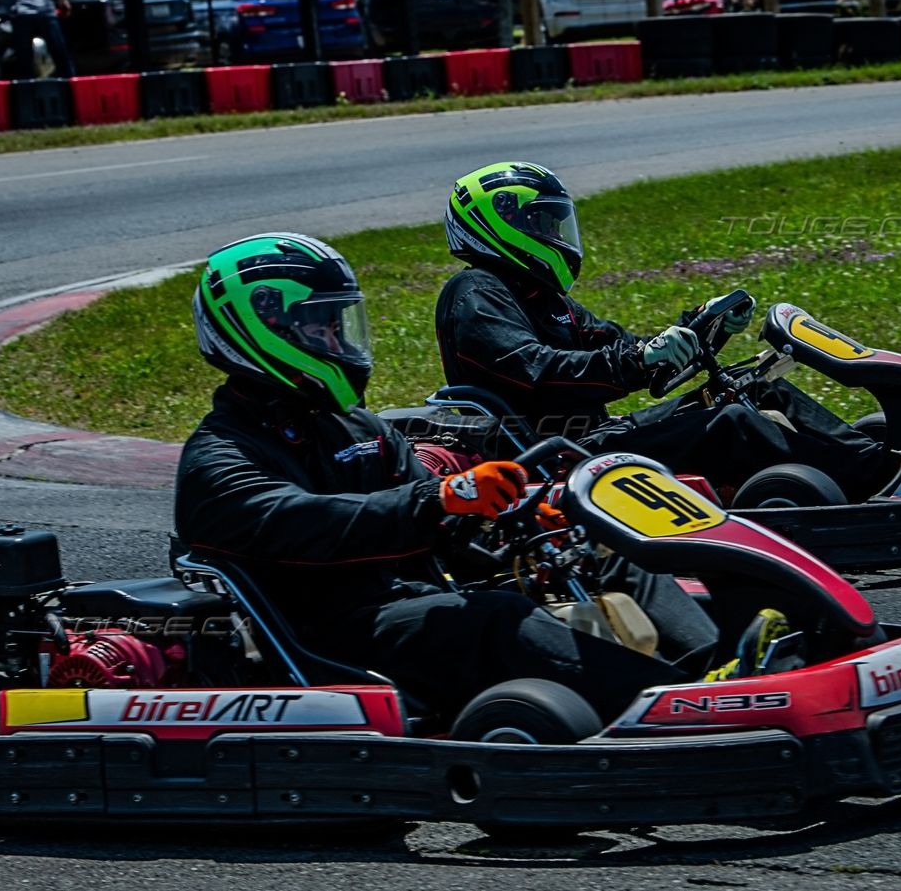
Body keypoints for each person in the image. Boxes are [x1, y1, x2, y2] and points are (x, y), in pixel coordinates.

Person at [174, 232, 718, 724]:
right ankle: (675, 708)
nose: (337, 340)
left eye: (340, 324)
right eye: (320, 326)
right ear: (263, 332)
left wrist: (516, 523)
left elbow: (443, 528)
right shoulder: (219, 457)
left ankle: (719, 674)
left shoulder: (357, 428)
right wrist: (441, 498)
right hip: (336, 630)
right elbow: (308, 523)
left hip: (418, 594)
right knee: (492, 619)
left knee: (596, 548)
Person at [435, 161, 901, 504]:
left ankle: (885, 463)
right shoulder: (475, 293)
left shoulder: (544, 298)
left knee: (756, 388)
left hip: (592, 437)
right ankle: (894, 481)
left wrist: (688, 332)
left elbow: (617, 348)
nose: (555, 234)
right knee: (730, 423)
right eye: (542, 223)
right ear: (501, 224)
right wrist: (638, 360)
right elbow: (536, 372)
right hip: (550, 457)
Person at [0, 0, 75, 79]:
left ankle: (28, 86)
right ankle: (70, 82)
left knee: (25, 62)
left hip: (24, 11)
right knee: (60, 57)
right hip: (39, 8)